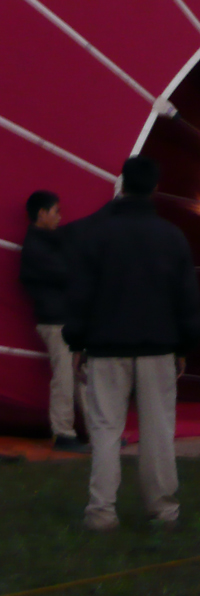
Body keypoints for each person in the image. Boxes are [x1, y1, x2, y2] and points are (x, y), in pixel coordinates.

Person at [64, 156, 200, 532]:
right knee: (158, 430)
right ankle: (163, 510)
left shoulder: (95, 235)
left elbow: (79, 295)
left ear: (121, 183)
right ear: (156, 188)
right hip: (158, 347)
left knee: (106, 430)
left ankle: (102, 512)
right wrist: (184, 346)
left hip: (106, 347)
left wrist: (76, 342)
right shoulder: (171, 237)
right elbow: (186, 299)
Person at [19, 190, 89, 452]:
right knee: (65, 377)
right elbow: (68, 275)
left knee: (80, 375)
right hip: (55, 321)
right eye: (56, 211)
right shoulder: (38, 248)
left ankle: (99, 430)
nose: (60, 216)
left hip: (64, 320)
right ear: (42, 214)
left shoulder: (47, 242)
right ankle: (63, 434)